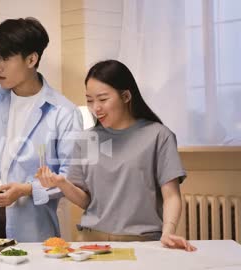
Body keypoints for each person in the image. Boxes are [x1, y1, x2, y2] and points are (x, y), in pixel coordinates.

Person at [36, 59, 197, 251]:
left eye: (103, 99)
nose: (95, 107)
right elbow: (86, 201)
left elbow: (171, 196)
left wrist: (168, 232)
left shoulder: (158, 136)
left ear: (126, 96)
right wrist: (61, 183)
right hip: (90, 242)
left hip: (143, 242)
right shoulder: (86, 139)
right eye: (89, 100)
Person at [0, 17, 81, 242]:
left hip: (32, 226)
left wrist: (27, 189)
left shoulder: (64, 112)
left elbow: (70, 177)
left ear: (31, 59)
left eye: (6, 58)